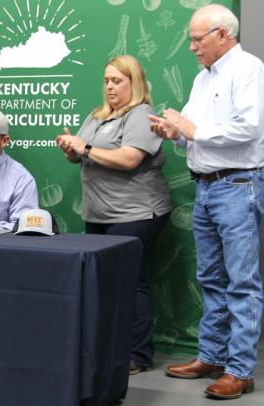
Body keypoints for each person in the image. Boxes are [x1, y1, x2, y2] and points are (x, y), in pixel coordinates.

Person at [149, 4, 264, 400]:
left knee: (241, 282)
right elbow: (193, 131)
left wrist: (193, 129)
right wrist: (174, 131)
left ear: (223, 35)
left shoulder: (249, 70)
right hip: (208, 187)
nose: (191, 47)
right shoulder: (203, 78)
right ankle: (212, 354)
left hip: (238, 185)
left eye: (197, 39)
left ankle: (240, 370)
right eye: (191, 39)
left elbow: (249, 126)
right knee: (211, 278)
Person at [56, 55, 171, 375]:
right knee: (104, 283)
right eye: (106, 80)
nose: (109, 86)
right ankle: (109, 348)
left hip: (135, 214)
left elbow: (129, 158)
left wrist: (85, 149)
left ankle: (138, 354)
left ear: (134, 83)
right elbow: (81, 154)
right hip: (100, 214)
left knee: (131, 283)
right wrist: (71, 150)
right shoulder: (98, 116)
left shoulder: (141, 114)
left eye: (117, 81)